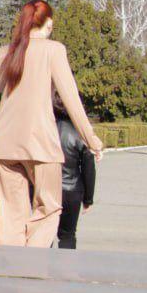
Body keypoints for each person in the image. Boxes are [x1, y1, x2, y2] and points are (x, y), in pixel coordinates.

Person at [0, 0, 104, 247]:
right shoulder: (53, 50)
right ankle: (33, 262)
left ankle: (11, 264)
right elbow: (71, 98)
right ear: (49, 23)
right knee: (48, 209)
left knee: (10, 214)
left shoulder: (6, 52)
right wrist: (91, 140)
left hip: (7, 146)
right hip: (41, 144)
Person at [54, 95, 96, 250]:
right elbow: (88, 170)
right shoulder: (81, 133)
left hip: (45, 187)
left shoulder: (44, 129)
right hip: (71, 190)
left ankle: (40, 262)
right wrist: (88, 199)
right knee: (67, 235)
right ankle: (66, 264)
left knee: (42, 231)